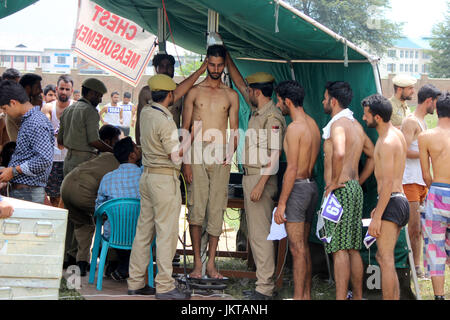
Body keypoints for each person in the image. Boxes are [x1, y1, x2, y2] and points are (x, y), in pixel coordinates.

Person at [127, 74, 195, 299]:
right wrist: (189, 138)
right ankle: (165, 286)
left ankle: (136, 281)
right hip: (164, 180)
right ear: (170, 96)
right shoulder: (164, 121)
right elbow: (175, 156)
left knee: (144, 231)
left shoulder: (146, 112)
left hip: (147, 177)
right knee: (166, 233)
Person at [226, 52, 286, 299]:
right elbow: (241, 84)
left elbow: (274, 154)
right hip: (251, 176)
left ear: (258, 92)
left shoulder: (271, 118)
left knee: (261, 235)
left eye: (250, 90)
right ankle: (263, 282)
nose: (246, 92)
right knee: (256, 234)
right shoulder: (258, 110)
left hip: (262, 178)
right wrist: (228, 57)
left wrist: (261, 184)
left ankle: (264, 288)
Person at [182, 44, 239, 280]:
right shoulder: (194, 92)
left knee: (217, 208)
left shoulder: (231, 95)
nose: (215, 70)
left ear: (224, 65)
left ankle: (212, 265)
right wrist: (185, 161)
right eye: (211, 65)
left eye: (219, 65)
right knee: (196, 207)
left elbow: (234, 129)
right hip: (196, 151)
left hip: (220, 152)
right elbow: (185, 129)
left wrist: (231, 151)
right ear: (206, 62)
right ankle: (197, 264)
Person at [320, 81, 375, 300]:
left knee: (339, 248)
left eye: (325, 98)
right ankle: (358, 297)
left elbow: (339, 153)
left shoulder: (338, 125)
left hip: (340, 191)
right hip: (353, 189)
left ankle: (341, 297)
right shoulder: (356, 126)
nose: (323, 102)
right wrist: (358, 181)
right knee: (352, 247)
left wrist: (333, 182)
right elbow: (372, 155)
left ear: (333, 101)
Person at [272, 80, 320, 300]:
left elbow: (291, 168)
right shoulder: (312, 124)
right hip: (312, 187)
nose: (277, 104)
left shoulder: (294, 128)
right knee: (304, 246)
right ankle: (306, 295)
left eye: (279, 100)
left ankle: (299, 297)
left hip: (298, 189)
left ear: (288, 101)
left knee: (296, 248)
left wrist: (282, 203)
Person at [362, 93, 409, 300]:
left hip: (393, 200)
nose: (364, 119)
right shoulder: (395, 135)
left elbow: (388, 183)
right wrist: (379, 209)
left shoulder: (388, 141)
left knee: (385, 258)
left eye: (366, 115)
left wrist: (378, 216)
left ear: (377, 117)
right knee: (384, 257)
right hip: (397, 200)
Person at [61, 125, 121, 276]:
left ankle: (79, 261)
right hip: (82, 190)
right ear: (108, 142)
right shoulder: (115, 160)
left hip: (66, 187)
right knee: (112, 218)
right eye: (116, 141)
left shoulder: (98, 157)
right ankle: (110, 260)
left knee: (84, 223)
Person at [401, 84, 441, 278]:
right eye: (435, 102)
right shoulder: (411, 122)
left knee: (421, 229)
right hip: (409, 181)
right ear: (428, 101)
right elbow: (402, 150)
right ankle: (412, 268)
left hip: (421, 181)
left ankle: (418, 267)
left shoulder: (423, 123)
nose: (436, 106)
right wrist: (425, 154)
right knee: (414, 228)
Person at [96, 137, 143, 281]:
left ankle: (121, 264)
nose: (139, 149)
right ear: (132, 156)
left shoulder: (108, 178)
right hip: (140, 232)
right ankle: (125, 266)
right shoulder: (144, 175)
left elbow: (99, 208)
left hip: (115, 234)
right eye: (136, 147)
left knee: (114, 228)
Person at [418, 91, 450, 300]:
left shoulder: (425, 137)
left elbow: (425, 175)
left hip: (437, 191)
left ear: (436, 110)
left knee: (435, 248)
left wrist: (436, 188)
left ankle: (439, 297)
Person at [0, 80, 53, 204]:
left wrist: (14, 171)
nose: (4, 112)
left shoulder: (36, 122)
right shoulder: (29, 120)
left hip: (27, 193)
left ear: (13, 102)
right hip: (25, 191)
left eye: (4, 108)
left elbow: (44, 159)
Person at [58, 78, 112, 177]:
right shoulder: (90, 111)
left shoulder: (68, 110)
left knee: (68, 191)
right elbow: (94, 141)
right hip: (84, 162)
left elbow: (60, 141)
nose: (100, 100)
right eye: (99, 96)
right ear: (91, 93)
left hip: (68, 161)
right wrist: (113, 151)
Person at [135, 53, 189, 144]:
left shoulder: (181, 92)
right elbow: (139, 121)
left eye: (169, 66)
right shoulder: (146, 92)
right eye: (162, 66)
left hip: (173, 142)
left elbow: (186, 121)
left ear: (173, 69)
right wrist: (139, 145)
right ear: (156, 69)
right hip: (152, 143)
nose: (166, 69)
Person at [41, 75, 74, 207]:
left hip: (70, 159)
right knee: (53, 196)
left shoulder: (76, 108)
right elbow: (45, 130)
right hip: (52, 159)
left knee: (67, 196)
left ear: (72, 91)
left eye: (67, 89)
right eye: (61, 89)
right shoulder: (48, 108)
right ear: (56, 89)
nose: (64, 92)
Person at [6, 73, 43, 142]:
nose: (41, 91)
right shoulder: (15, 106)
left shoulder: (30, 102)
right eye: (38, 88)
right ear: (28, 88)